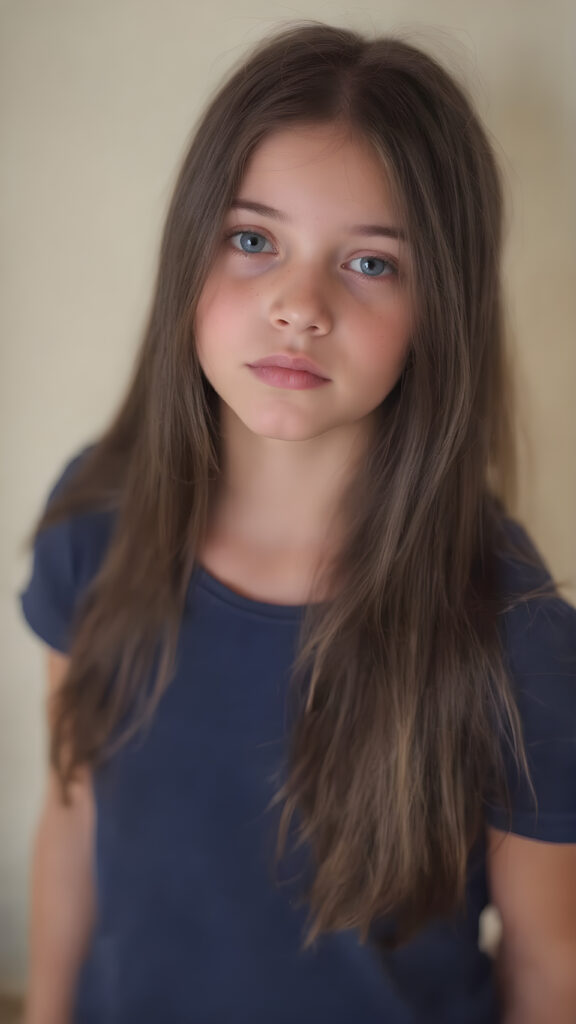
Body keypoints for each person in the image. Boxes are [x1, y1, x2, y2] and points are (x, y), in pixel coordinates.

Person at [17, 20, 576, 1024]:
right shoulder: (93, 526)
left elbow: (551, 965)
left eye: (369, 263)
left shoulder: (516, 630)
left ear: (439, 311)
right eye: (252, 239)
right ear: (190, 253)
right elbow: (71, 815)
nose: (298, 304)